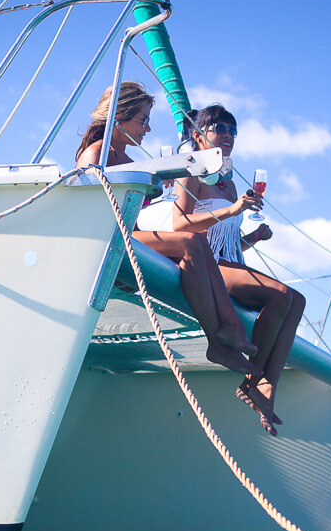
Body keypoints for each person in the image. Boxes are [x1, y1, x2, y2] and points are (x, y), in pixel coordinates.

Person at [75, 82, 259, 377]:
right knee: (189, 240)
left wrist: (162, 187)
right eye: (143, 120)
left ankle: (221, 337)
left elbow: (138, 208)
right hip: (111, 237)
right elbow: (93, 212)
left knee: (194, 245)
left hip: (132, 236)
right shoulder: (96, 155)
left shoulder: (127, 159)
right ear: (119, 115)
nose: (147, 129)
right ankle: (226, 329)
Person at [171, 104, 305, 436]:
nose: (227, 135)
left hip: (229, 262)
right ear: (198, 134)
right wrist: (233, 209)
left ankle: (263, 384)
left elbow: (227, 240)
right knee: (282, 296)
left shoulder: (228, 182)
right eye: (219, 128)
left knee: (296, 300)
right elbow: (179, 225)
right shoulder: (188, 172)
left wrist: (253, 238)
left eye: (232, 129)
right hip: (206, 266)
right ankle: (257, 381)